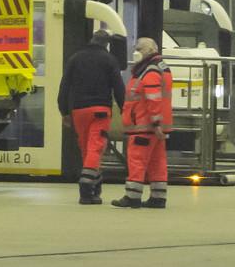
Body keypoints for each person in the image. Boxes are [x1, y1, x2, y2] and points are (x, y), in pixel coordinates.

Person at [57, 29, 124, 205]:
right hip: (100, 110)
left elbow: (64, 86)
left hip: (78, 111)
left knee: (87, 149)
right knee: (96, 147)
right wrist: (126, 110)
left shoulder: (75, 58)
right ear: (106, 43)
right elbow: (118, 88)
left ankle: (95, 188)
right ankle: (86, 188)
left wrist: (64, 112)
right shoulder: (109, 60)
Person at [113, 38, 173, 210]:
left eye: (140, 48)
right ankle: (158, 197)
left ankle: (133, 196)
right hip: (154, 127)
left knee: (137, 160)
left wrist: (156, 122)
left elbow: (153, 98)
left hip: (145, 126)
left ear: (151, 49)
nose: (136, 52)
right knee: (157, 161)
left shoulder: (150, 71)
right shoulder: (161, 67)